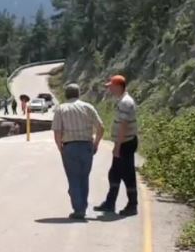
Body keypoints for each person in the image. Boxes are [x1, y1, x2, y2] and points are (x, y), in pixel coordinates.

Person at [52, 83, 105, 220]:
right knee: (84, 178)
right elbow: (101, 127)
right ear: (78, 94)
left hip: (70, 147)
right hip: (86, 146)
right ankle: (83, 207)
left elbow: (57, 132)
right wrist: (96, 144)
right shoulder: (88, 107)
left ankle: (78, 209)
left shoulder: (61, 109)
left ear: (66, 94)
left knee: (74, 179)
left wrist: (60, 148)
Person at [95, 75, 139, 217]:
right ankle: (110, 203)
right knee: (114, 173)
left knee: (127, 175)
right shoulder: (122, 101)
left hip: (125, 143)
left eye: (111, 86)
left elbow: (123, 126)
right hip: (124, 142)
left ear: (119, 86)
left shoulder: (126, 102)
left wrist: (117, 146)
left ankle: (132, 205)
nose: (109, 89)